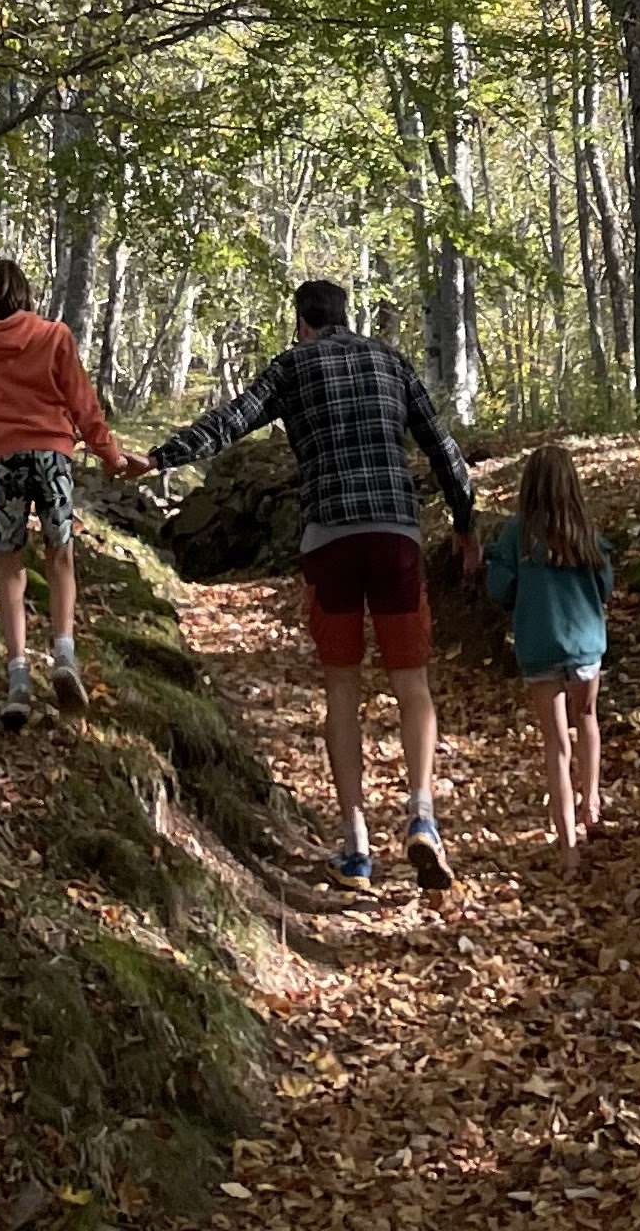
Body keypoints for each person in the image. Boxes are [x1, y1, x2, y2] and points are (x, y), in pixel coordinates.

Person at [148, 274, 477, 892]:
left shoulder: (293, 365)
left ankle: (356, 845)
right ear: (345, 316)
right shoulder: (391, 361)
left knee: (342, 690)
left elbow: (233, 420)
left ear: (302, 320)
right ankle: (423, 817)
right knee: (413, 685)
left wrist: (162, 456)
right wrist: (464, 522)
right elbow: (444, 450)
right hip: (395, 533)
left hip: (329, 537)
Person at [0, 256, 141, 728]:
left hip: (5, 460)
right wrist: (111, 456)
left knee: (9, 563)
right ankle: (63, 653)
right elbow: (84, 403)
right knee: (60, 553)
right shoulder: (54, 336)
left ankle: (18, 676)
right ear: (22, 293)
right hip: (53, 456)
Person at [483, 436, 613, 851]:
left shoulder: (518, 534)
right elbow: (605, 586)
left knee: (556, 743)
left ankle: (567, 843)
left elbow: (500, 590)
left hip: (540, 646)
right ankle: (592, 803)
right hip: (586, 646)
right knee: (588, 719)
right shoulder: (586, 531)